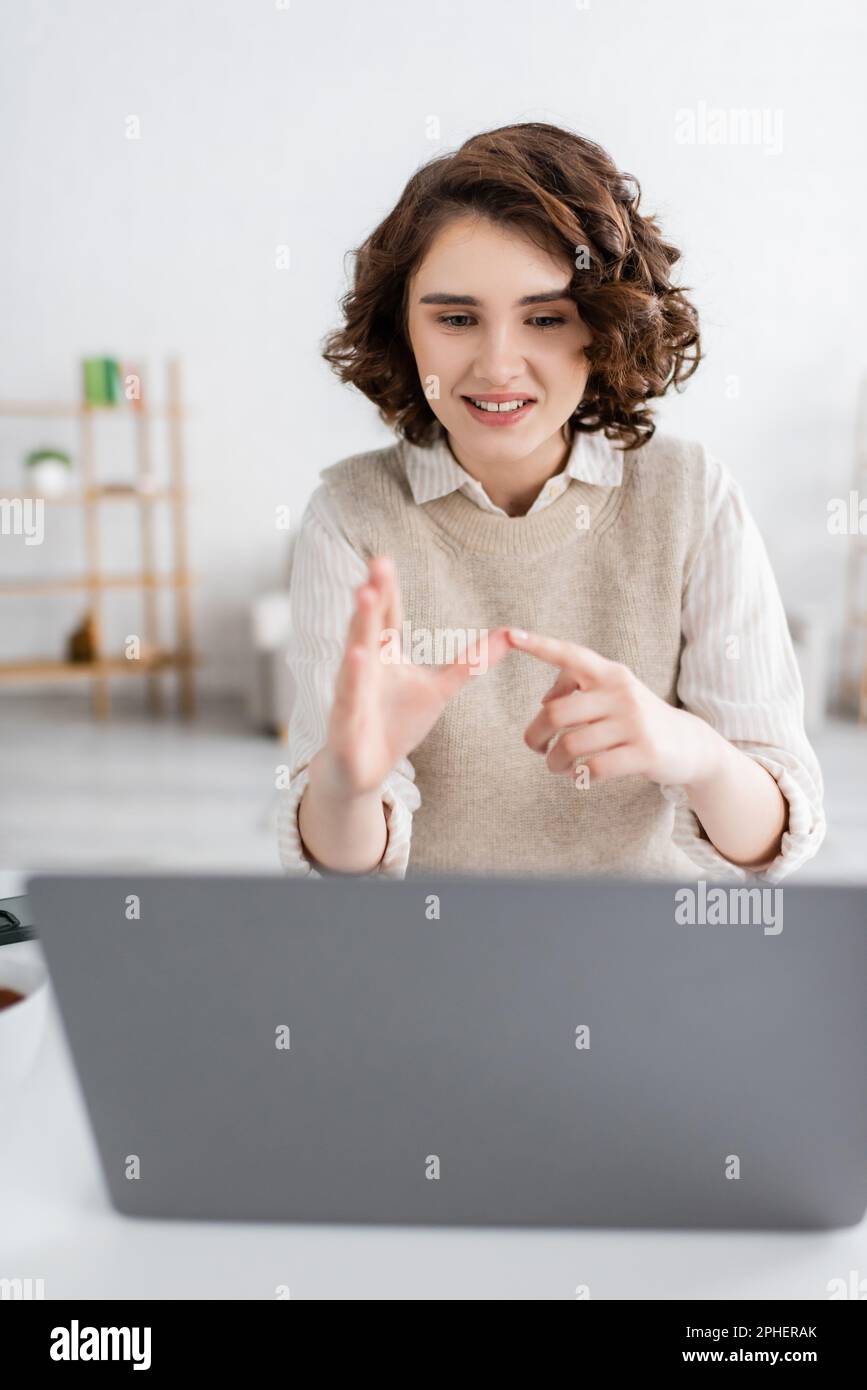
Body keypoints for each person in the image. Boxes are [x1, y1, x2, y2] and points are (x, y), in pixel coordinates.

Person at [277, 122, 825, 882]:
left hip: (648, 962)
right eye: (456, 318)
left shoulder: (690, 496)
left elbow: (768, 845)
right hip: (431, 962)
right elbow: (343, 868)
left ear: (601, 329)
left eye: (544, 318)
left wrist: (689, 750)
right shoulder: (349, 512)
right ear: (403, 330)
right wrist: (350, 778)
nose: (497, 365)